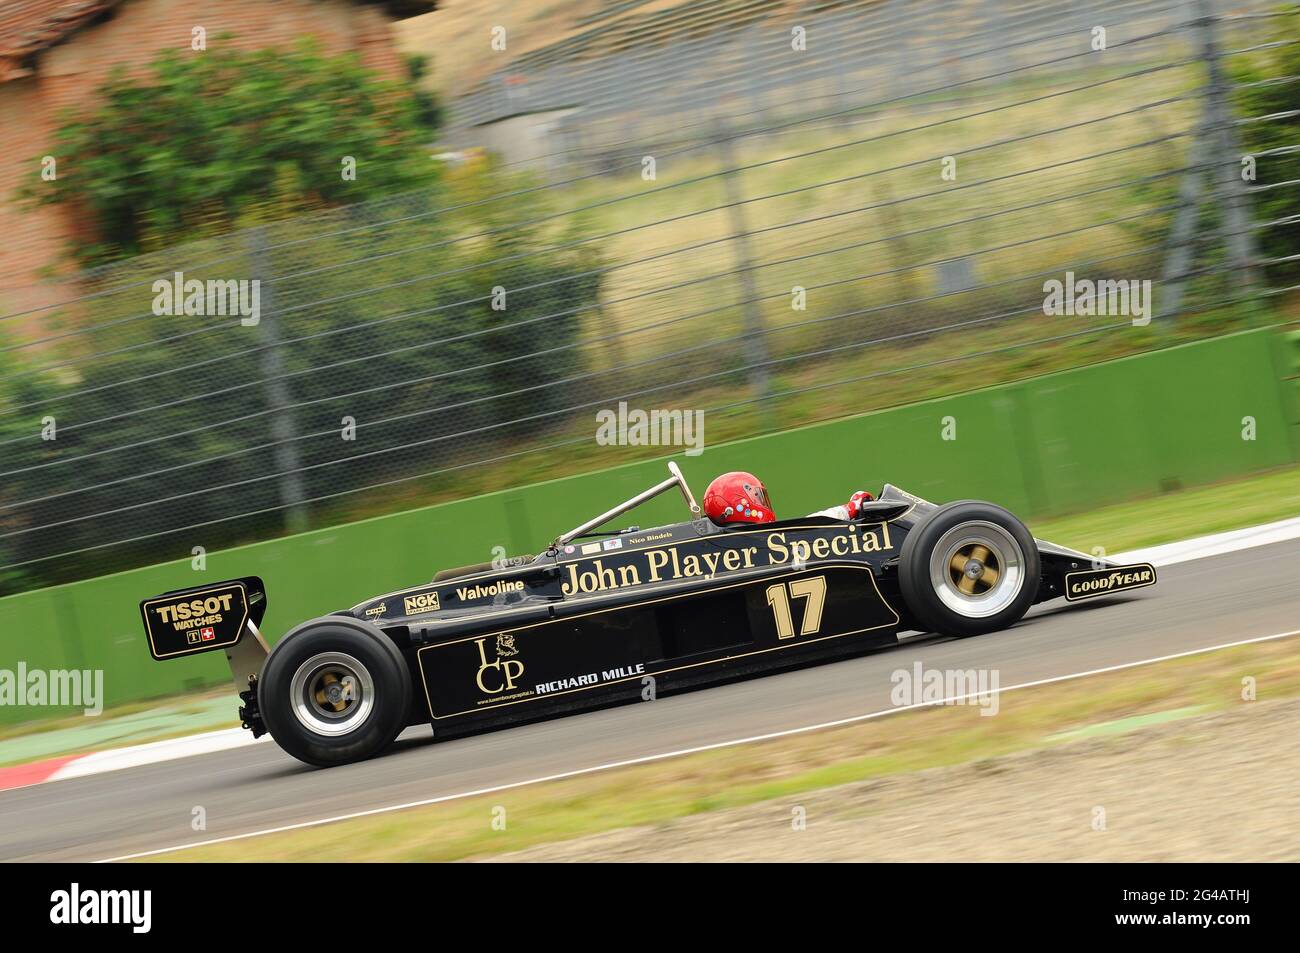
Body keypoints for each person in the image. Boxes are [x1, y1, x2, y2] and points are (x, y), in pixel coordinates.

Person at [701, 471, 873, 525]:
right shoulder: (759, 540)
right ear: (738, 503)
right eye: (756, 496)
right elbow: (809, 527)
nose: (761, 502)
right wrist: (850, 508)